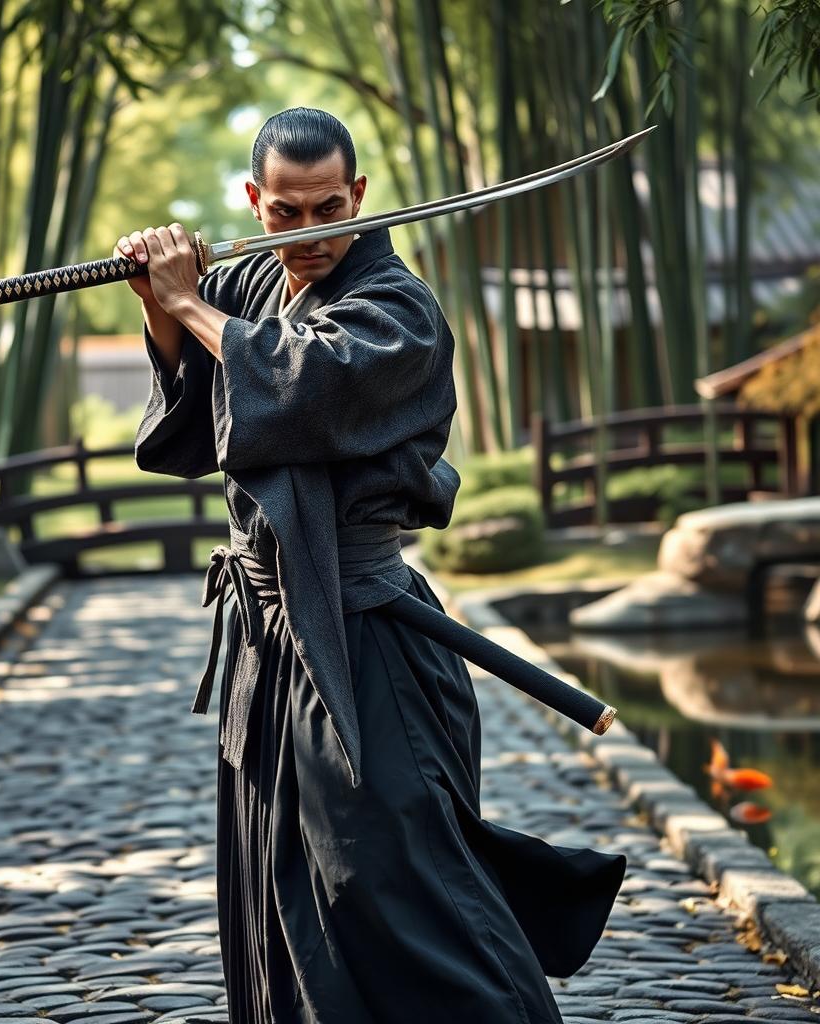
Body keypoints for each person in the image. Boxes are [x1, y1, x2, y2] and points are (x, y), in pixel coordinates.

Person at [116, 106, 626, 1024]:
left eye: (328, 210)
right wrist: (162, 311)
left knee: (394, 872)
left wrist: (191, 305)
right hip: (270, 644)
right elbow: (193, 435)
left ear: (359, 194)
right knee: (283, 875)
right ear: (253, 200)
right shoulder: (244, 289)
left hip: (368, 638)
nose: (310, 234)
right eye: (286, 213)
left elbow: (302, 388)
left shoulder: (400, 312)